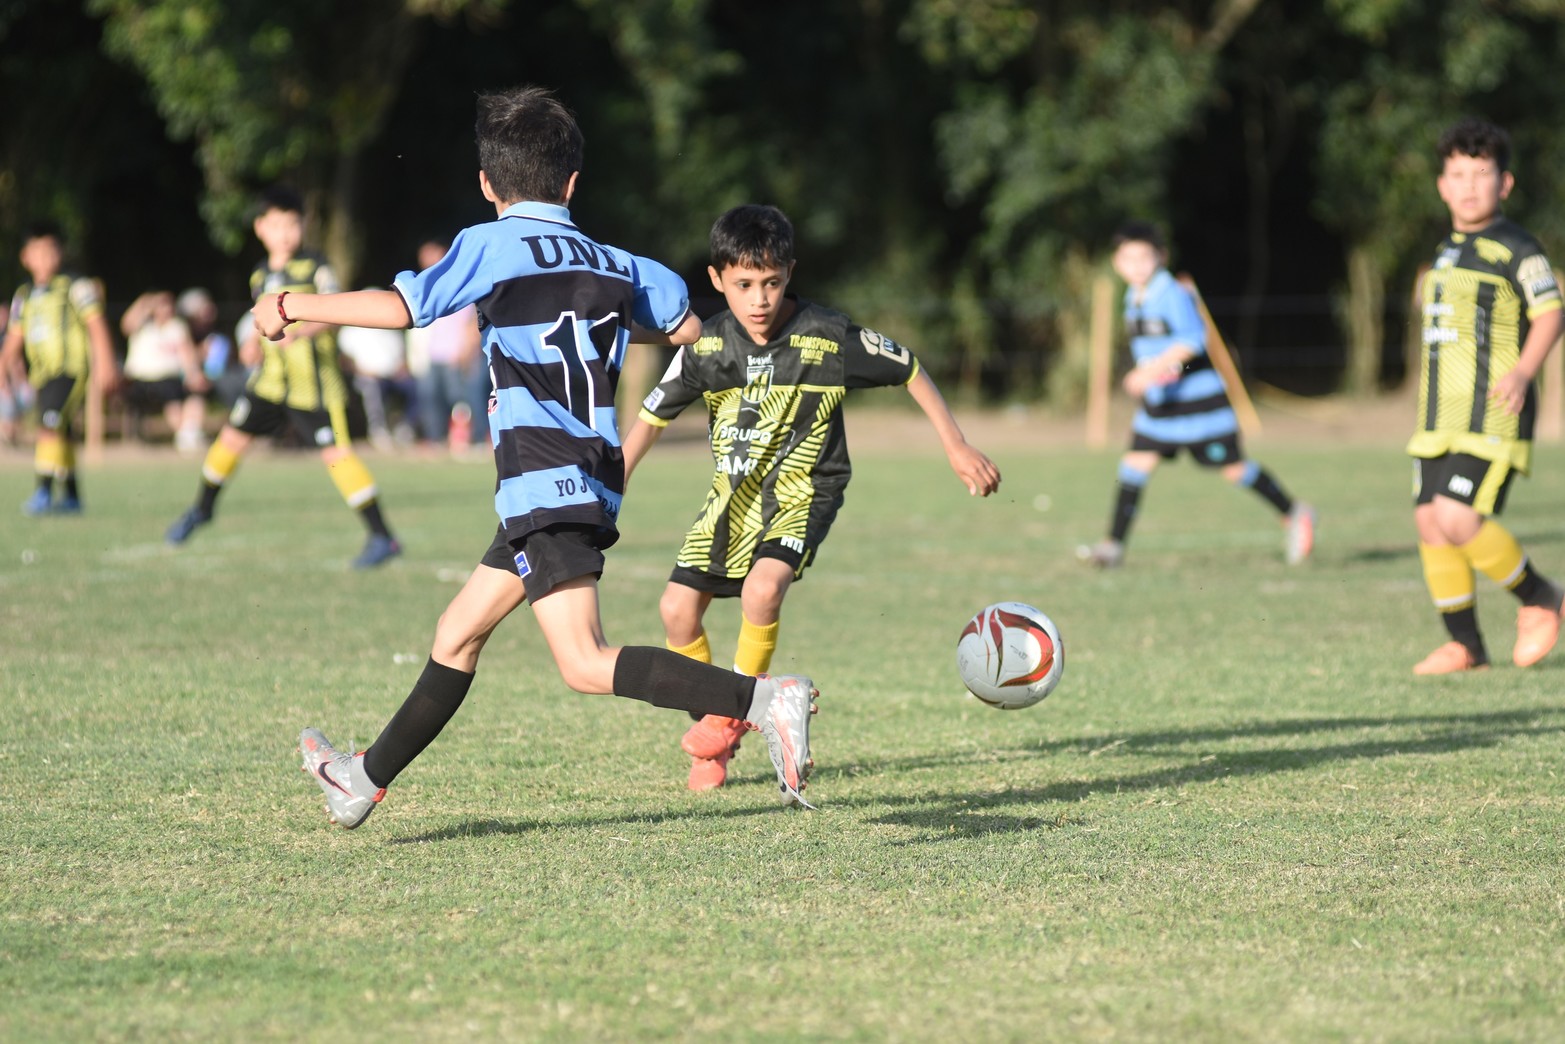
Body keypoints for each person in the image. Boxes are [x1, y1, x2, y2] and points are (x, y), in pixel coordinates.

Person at [258, 86, 818, 828]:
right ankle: (360, 780)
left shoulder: (489, 245)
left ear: (489, 183)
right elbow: (683, 327)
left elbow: (404, 309)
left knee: (584, 660)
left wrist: (294, 305)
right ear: (573, 183)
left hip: (541, 475)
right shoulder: (623, 264)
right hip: (586, 475)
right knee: (457, 634)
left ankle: (761, 698)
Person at [622, 203, 1001, 792]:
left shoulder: (827, 337)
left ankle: (726, 721)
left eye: (771, 283)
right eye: (744, 285)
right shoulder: (704, 348)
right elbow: (649, 420)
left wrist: (956, 444)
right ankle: (718, 724)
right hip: (733, 495)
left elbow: (908, 368)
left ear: (790, 274)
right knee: (675, 611)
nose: (759, 299)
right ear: (717, 279)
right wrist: (610, 486)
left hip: (805, 489)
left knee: (763, 589)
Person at [164, 187, 401, 569]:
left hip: (315, 386)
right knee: (229, 440)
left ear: (303, 225)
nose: (286, 233)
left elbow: (337, 312)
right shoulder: (260, 274)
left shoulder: (317, 268)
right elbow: (262, 322)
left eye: (292, 224)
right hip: (271, 383)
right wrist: (253, 344)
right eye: (277, 225)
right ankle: (201, 510)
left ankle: (382, 536)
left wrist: (301, 330)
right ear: (261, 228)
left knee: (337, 457)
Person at [1407, 119, 1565, 675]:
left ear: (1506, 183)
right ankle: (1466, 646)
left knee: (1455, 514)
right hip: (1441, 416)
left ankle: (1543, 597)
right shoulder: (1446, 252)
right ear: (1442, 185)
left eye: (1482, 173)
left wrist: (1523, 372)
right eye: (1458, 174)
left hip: (1495, 411)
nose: (1469, 185)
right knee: (1430, 521)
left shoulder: (1518, 248)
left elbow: (1551, 312)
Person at [1077, 222, 1315, 570]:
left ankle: (1295, 513)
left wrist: (1148, 372)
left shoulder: (1170, 292)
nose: (1137, 265)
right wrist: (1149, 376)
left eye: (1144, 257)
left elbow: (1191, 340)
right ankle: (1112, 547)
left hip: (1200, 404)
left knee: (1234, 469)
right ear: (1116, 262)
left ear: (1161, 257)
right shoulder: (1133, 296)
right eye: (1128, 258)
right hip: (1162, 407)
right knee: (1133, 467)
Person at [0, 221, 119, 514]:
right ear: (25, 257)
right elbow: (16, 335)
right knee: (60, 430)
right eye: (37, 252)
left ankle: (42, 492)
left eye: (51, 251)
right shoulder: (24, 295)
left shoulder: (76, 286)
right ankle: (72, 495)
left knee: (49, 424)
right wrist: (3, 365)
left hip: (71, 368)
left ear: (60, 253)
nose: (45, 258)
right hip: (43, 373)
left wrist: (106, 363)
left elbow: (96, 323)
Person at [406, 237, 484, 452]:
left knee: (460, 399)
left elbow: (471, 323)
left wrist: (466, 351)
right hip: (433, 354)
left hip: (455, 354)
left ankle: (470, 439)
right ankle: (435, 439)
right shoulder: (424, 285)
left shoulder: (458, 283)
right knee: (430, 398)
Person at [120, 290, 209, 453]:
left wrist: (194, 374)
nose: (166, 309)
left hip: (171, 378)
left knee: (195, 393)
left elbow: (187, 355)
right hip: (141, 379)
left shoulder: (177, 327)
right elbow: (126, 324)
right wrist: (145, 302)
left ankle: (188, 434)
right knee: (171, 394)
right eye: (162, 305)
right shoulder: (142, 325)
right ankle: (186, 436)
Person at [337, 291, 418, 450]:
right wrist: (361, 370)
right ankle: (378, 430)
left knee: (416, 387)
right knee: (372, 389)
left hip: (392, 376)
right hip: (367, 376)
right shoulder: (351, 329)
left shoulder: (389, 328)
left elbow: (401, 355)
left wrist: (401, 369)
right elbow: (346, 360)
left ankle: (405, 427)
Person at [178, 287, 244, 410]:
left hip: (214, 378)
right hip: (187, 378)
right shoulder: (180, 333)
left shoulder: (218, 337)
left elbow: (217, 367)